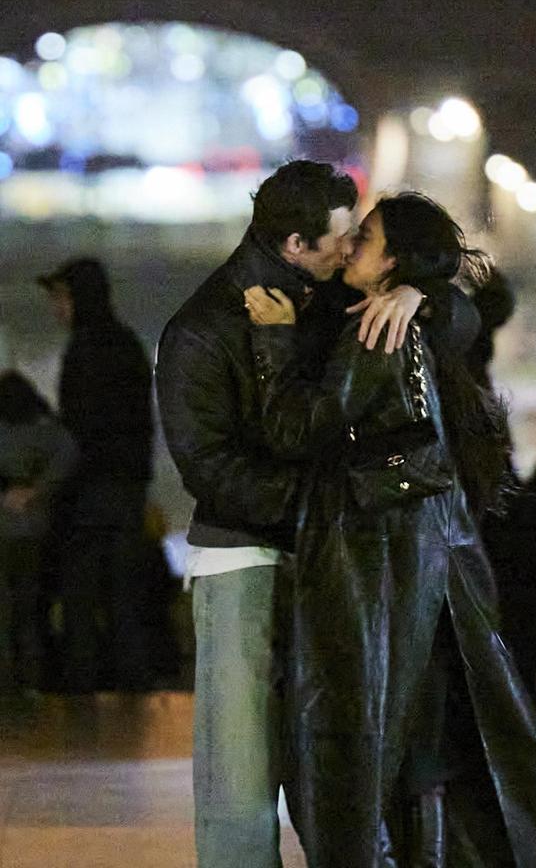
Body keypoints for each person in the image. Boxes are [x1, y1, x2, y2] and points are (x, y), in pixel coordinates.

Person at [244, 192, 536, 868]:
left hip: (382, 560)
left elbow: (300, 427)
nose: (346, 248)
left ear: (392, 261)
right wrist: (415, 296)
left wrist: (274, 341)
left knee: (372, 739)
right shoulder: (381, 315)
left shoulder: (377, 327)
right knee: (429, 736)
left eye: (362, 238)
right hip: (422, 553)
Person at [155, 160, 426, 868]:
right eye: (340, 239)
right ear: (295, 243)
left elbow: (474, 307)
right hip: (245, 557)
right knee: (239, 775)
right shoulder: (203, 329)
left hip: (327, 557)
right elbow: (207, 467)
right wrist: (318, 508)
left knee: (336, 763)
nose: (349, 251)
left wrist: (418, 294)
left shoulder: (329, 297)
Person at [37, 257, 154, 693]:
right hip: (126, 490)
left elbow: (75, 433)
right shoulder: (126, 345)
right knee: (125, 598)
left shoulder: (83, 351)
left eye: (60, 298)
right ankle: (133, 696)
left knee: (81, 597)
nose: (56, 309)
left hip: (88, 494)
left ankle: (82, 698)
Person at [0, 371, 77, 697]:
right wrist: (37, 491)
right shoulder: (49, 433)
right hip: (35, 530)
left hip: (4, 531)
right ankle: (32, 680)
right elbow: (69, 456)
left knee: (6, 609)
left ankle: (7, 679)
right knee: (31, 609)